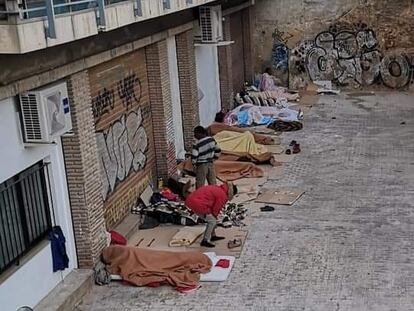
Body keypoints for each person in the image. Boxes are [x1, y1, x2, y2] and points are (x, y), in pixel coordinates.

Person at [185, 182, 238, 247]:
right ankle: (205, 241)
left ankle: (213, 236)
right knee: (212, 221)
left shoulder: (219, 189)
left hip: (192, 200)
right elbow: (216, 209)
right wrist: (215, 218)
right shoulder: (222, 195)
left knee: (212, 219)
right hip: (198, 204)